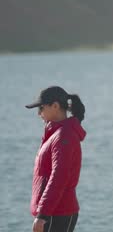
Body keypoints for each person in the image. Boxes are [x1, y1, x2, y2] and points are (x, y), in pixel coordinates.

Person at [25, 86, 87, 232]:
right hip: (53, 212)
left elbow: (59, 177)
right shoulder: (56, 133)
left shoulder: (63, 136)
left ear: (55, 106)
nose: (39, 113)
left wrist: (43, 215)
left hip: (56, 213)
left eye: (41, 107)